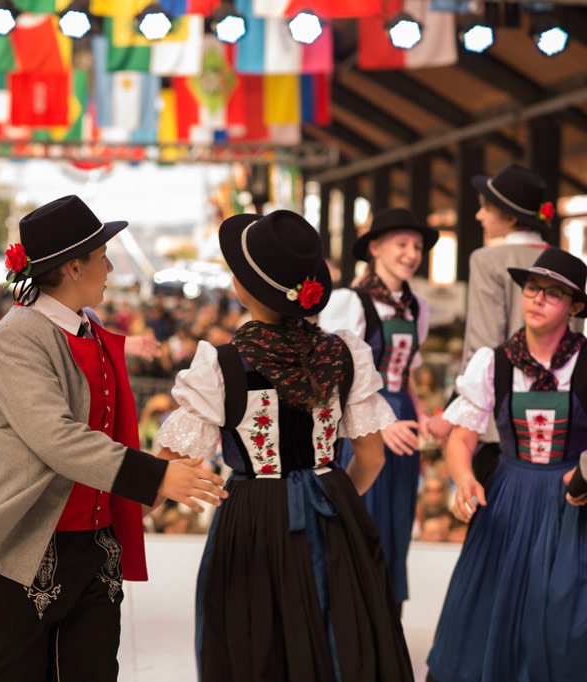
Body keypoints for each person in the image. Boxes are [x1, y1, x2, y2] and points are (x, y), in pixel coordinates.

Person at [0, 195, 227, 681]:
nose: (110, 266)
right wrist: (155, 476)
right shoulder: (19, 335)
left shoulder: (86, 327)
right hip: (22, 540)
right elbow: (56, 436)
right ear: (72, 268)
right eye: (101, 256)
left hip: (91, 543)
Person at [155, 210, 412, 681]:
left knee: (256, 637)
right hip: (333, 505)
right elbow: (371, 457)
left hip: (255, 513)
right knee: (341, 632)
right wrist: (335, 499)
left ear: (246, 289)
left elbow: (169, 467)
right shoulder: (345, 352)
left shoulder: (221, 365)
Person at [427, 247, 587, 682]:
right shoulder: (493, 362)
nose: (536, 299)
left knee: (563, 618)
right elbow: (462, 435)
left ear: (574, 307)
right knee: (486, 613)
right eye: (532, 288)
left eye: (552, 294)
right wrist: (464, 480)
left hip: (573, 503)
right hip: (508, 499)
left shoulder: (586, 363)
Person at [318, 207, 437, 606]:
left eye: (417, 246)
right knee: (362, 521)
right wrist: (379, 421)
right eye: (401, 244)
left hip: (402, 424)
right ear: (375, 248)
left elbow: (406, 376)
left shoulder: (417, 306)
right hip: (362, 423)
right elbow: (334, 376)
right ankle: (354, 619)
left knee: (397, 525)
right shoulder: (350, 301)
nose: (411, 253)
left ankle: (387, 622)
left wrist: (422, 420)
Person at [426, 164, 564, 474]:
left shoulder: (487, 260)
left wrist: (452, 411)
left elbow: (483, 344)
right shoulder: (563, 264)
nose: (478, 216)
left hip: (499, 421)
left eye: (485, 208)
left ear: (511, 218)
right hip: (556, 420)